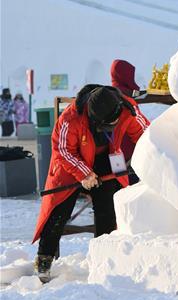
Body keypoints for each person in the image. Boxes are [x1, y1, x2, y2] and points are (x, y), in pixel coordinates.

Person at [32, 84, 150, 283]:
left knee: (108, 209)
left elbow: (147, 136)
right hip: (71, 165)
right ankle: (44, 258)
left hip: (106, 159)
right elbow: (63, 151)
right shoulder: (71, 118)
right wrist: (84, 174)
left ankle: (105, 258)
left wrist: (148, 158)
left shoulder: (126, 108)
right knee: (59, 210)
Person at [110, 59, 144, 165]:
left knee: (117, 178)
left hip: (111, 154)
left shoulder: (108, 94)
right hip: (127, 156)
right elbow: (142, 130)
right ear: (126, 77)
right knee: (129, 180)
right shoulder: (127, 101)